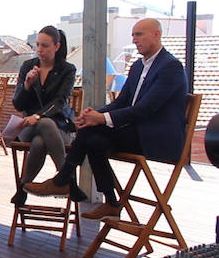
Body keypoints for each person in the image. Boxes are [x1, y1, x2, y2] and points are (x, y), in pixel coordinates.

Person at [25, 18, 188, 220]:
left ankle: (63, 179)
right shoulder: (137, 66)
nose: (134, 39)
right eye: (133, 35)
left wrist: (101, 118)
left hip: (156, 137)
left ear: (157, 34)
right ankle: (111, 202)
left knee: (90, 132)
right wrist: (94, 115)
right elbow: (123, 101)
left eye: (139, 34)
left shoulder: (171, 67)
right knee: (94, 141)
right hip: (135, 131)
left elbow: (146, 109)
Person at [10, 26, 81, 207]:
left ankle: (23, 187)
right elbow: (18, 104)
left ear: (57, 46)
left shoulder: (67, 70)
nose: (40, 50)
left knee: (41, 139)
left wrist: (39, 116)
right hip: (28, 126)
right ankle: (67, 179)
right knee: (44, 125)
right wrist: (27, 85)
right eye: (38, 45)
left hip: (58, 127)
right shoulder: (28, 66)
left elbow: (60, 101)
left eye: (45, 46)